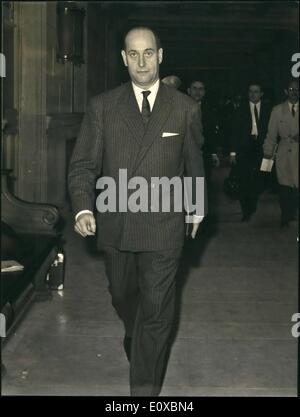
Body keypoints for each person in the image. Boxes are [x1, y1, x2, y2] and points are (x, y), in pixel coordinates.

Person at [68, 26, 207, 396]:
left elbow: (194, 164)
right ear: (123, 58)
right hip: (117, 223)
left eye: (149, 53)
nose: (142, 61)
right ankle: (135, 330)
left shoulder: (185, 108)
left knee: (158, 313)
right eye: (134, 54)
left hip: (164, 226)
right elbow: (83, 165)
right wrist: (83, 207)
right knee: (122, 295)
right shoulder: (103, 106)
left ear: (160, 56)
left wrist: (194, 207)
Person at [230, 82, 272, 221]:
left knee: (260, 179)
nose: (253, 94)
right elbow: (234, 132)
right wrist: (233, 153)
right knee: (244, 180)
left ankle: (252, 203)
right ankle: (246, 210)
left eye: (256, 91)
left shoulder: (268, 110)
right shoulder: (239, 109)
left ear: (261, 93)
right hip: (244, 148)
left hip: (261, 148)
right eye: (251, 91)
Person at [263, 78, 299, 227]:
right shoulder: (277, 110)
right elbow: (271, 136)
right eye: (291, 89)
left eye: (297, 89)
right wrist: (266, 159)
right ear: (285, 91)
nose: (294, 92)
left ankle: (293, 212)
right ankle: (286, 214)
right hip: (284, 153)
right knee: (284, 186)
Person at [187, 81, 220, 193]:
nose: (197, 92)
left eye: (201, 89)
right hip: (184, 153)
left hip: (204, 153)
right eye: (194, 88)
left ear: (204, 92)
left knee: (204, 184)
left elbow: (211, 134)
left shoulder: (210, 110)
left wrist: (214, 154)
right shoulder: (179, 108)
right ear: (189, 91)